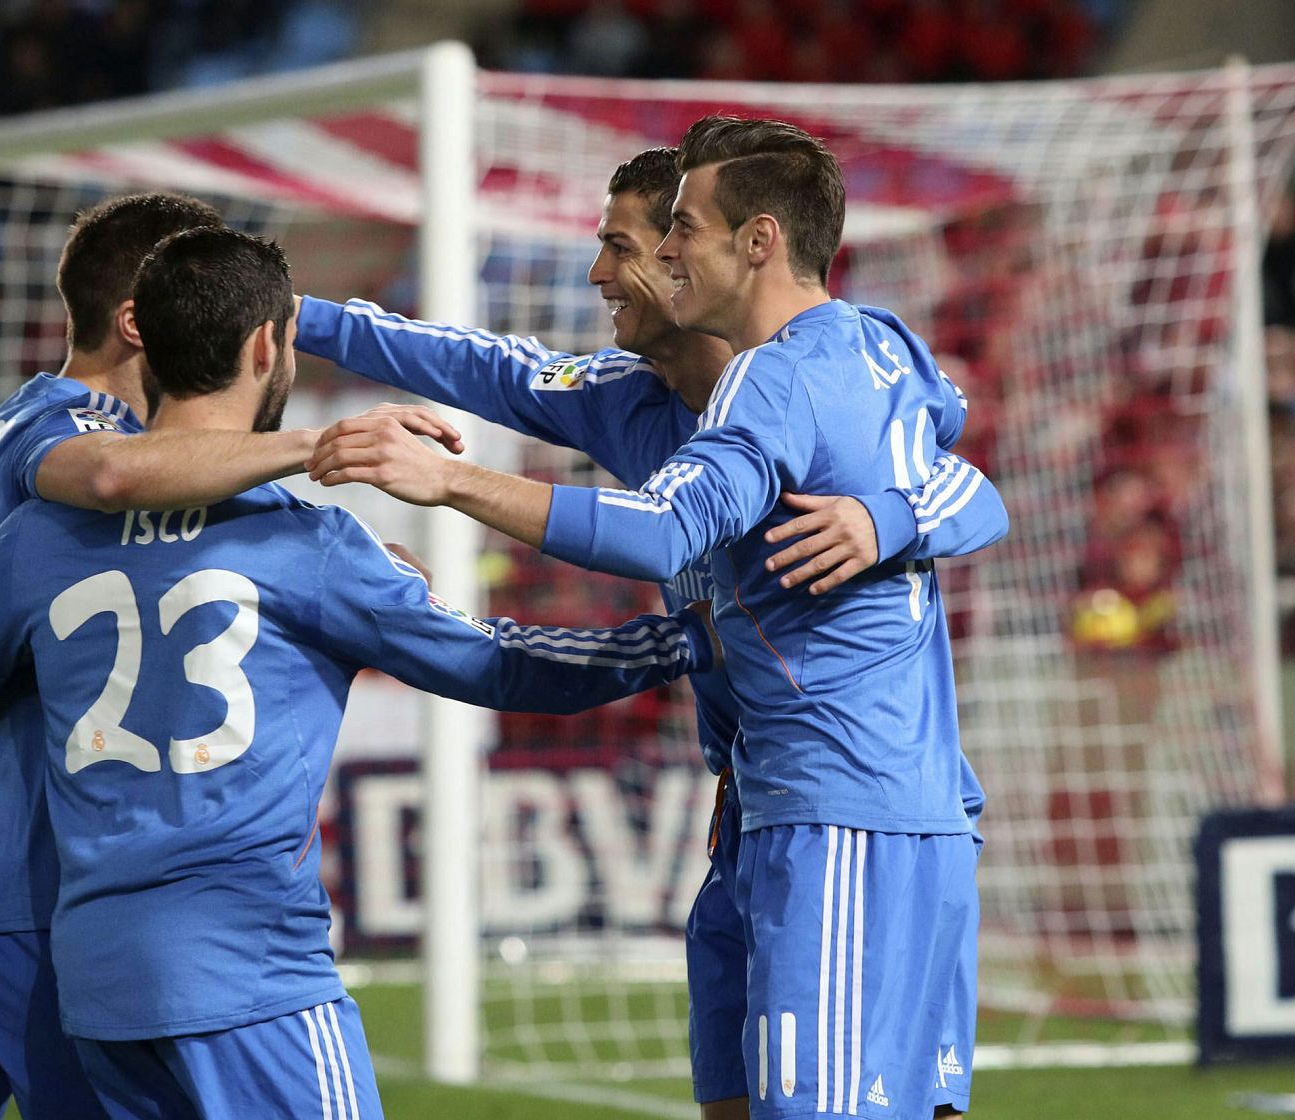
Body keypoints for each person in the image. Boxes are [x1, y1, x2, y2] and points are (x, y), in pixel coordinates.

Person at [0, 225, 715, 1120]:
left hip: (98, 978)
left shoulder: (38, 538)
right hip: (253, 971)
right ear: (265, 345)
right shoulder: (308, 544)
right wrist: (682, 641)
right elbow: (505, 666)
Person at [309, 118, 1006, 1120]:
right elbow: (486, 366)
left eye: (645, 238)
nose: (612, 267)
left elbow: (673, 526)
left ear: (750, 241)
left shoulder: (799, 370)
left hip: (853, 800)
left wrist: (451, 481)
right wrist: (295, 317)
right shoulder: (637, 397)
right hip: (762, 801)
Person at [0, 192, 462, 1120]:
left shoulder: (18, 425)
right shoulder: (71, 433)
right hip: (36, 881)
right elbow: (110, 476)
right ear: (139, 319)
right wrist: (321, 446)